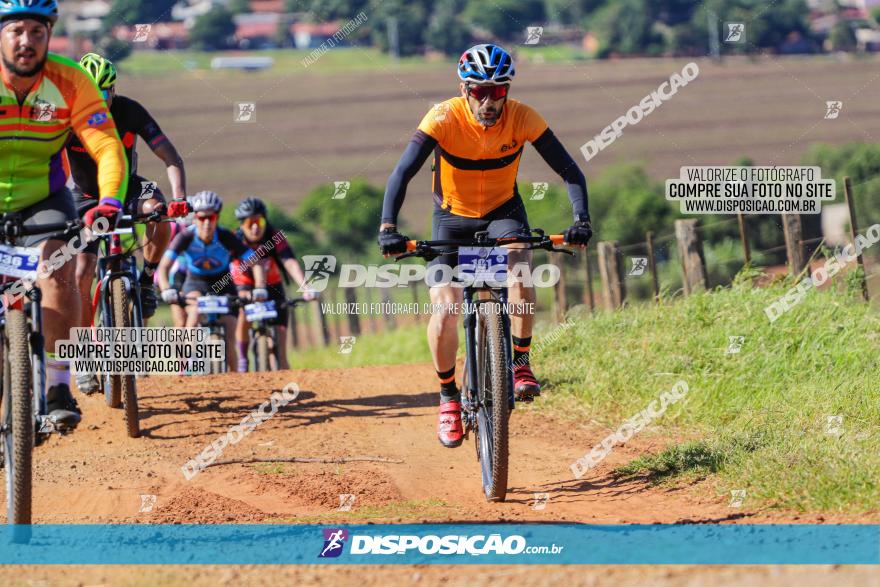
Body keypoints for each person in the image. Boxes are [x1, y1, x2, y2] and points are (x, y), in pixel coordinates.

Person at [377, 44, 592, 448]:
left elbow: (569, 170)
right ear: (464, 89)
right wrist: (388, 226)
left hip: (502, 212)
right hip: (451, 218)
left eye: (498, 91)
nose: (490, 101)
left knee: (519, 268)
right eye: (479, 91)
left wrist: (581, 221)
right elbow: (402, 172)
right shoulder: (442, 117)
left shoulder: (524, 117)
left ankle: (521, 363)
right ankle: (447, 399)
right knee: (445, 308)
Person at [0, 0, 127, 429]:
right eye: (16, 30)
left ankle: (58, 384)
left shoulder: (70, 81)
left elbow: (106, 145)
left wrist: (108, 201)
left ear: (50, 35)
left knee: (57, 272)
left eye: (37, 32)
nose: (26, 42)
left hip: (44, 197)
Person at [67, 52, 186, 393]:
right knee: (81, 273)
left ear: (114, 89)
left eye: (106, 92)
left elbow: (170, 155)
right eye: (93, 92)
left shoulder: (130, 110)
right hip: (85, 196)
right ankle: (85, 357)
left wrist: (179, 198)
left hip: (127, 188)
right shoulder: (68, 116)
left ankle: (147, 281)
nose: (101, 99)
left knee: (159, 211)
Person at [157, 191, 267, 371]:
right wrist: (166, 289)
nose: (207, 223)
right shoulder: (185, 237)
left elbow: (255, 261)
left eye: (212, 217)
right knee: (193, 315)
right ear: (195, 219)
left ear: (217, 217)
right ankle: (187, 365)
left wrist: (261, 286)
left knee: (230, 334)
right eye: (202, 218)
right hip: (195, 281)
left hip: (223, 283)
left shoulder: (225, 236)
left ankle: (236, 380)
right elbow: (164, 267)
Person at [231, 197, 314, 372]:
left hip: (273, 285)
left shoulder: (274, 236)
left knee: (281, 349)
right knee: (243, 313)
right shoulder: (234, 239)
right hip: (244, 284)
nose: (255, 226)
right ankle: (243, 359)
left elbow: (289, 262)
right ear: (241, 224)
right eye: (249, 222)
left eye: (259, 221)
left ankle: (282, 370)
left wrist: (305, 286)